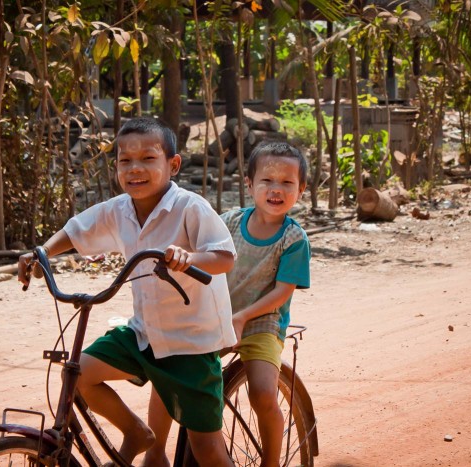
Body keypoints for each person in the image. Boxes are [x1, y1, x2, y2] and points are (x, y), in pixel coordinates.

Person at [18, 117, 237, 467]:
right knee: (77, 373)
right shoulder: (119, 209)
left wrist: (189, 257)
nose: (135, 169)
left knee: (207, 450)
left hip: (191, 341)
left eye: (148, 159)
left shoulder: (190, 207)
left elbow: (224, 256)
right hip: (144, 333)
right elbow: (77, 232)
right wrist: (40, 252)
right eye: (125, 160)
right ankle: (137, 432)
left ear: (173, 164)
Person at [143, 141, 311, 467]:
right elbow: (197, 246)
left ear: (301, 190)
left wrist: (242, 318)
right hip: (217, 315)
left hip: (262, 323)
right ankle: (155, 452)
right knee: (169, 370)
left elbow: (281, 292)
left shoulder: (293, 239)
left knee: (262, 393)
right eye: (267, 181)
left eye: (287, 183)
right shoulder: (229, 222)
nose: (276, 189)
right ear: (249, 184)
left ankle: (271, 463)